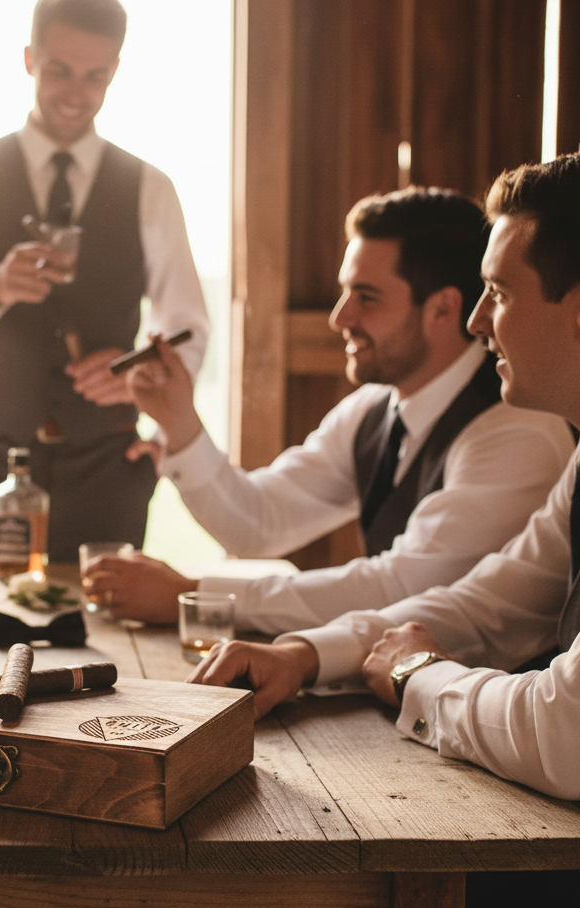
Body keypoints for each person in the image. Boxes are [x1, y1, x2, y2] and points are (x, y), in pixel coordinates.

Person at [196, 153, 580, 908]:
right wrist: (307, 653)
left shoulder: (518, 435)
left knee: (311, 902)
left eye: (502, 295)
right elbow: (494, 599)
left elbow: (564, 730)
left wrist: (416, 676)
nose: (482, 324)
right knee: (281, 879)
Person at [83, 186, 575, 634]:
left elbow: (400, 587)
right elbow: (258, 522)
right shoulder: (372, 409)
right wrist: (179, 422)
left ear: (443, 309)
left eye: (366, 297)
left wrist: (195, 596)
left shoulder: (517, 430)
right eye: (345, 292)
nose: (340, 317)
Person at [0, 0, 210, 566]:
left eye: (96, 76)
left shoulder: (152, 188)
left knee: (114, 641)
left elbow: (187, 326)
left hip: (109, 470)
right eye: (58, 70)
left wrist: (141, 369)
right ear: (29, 59)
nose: (75, 93)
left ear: (115, 70)